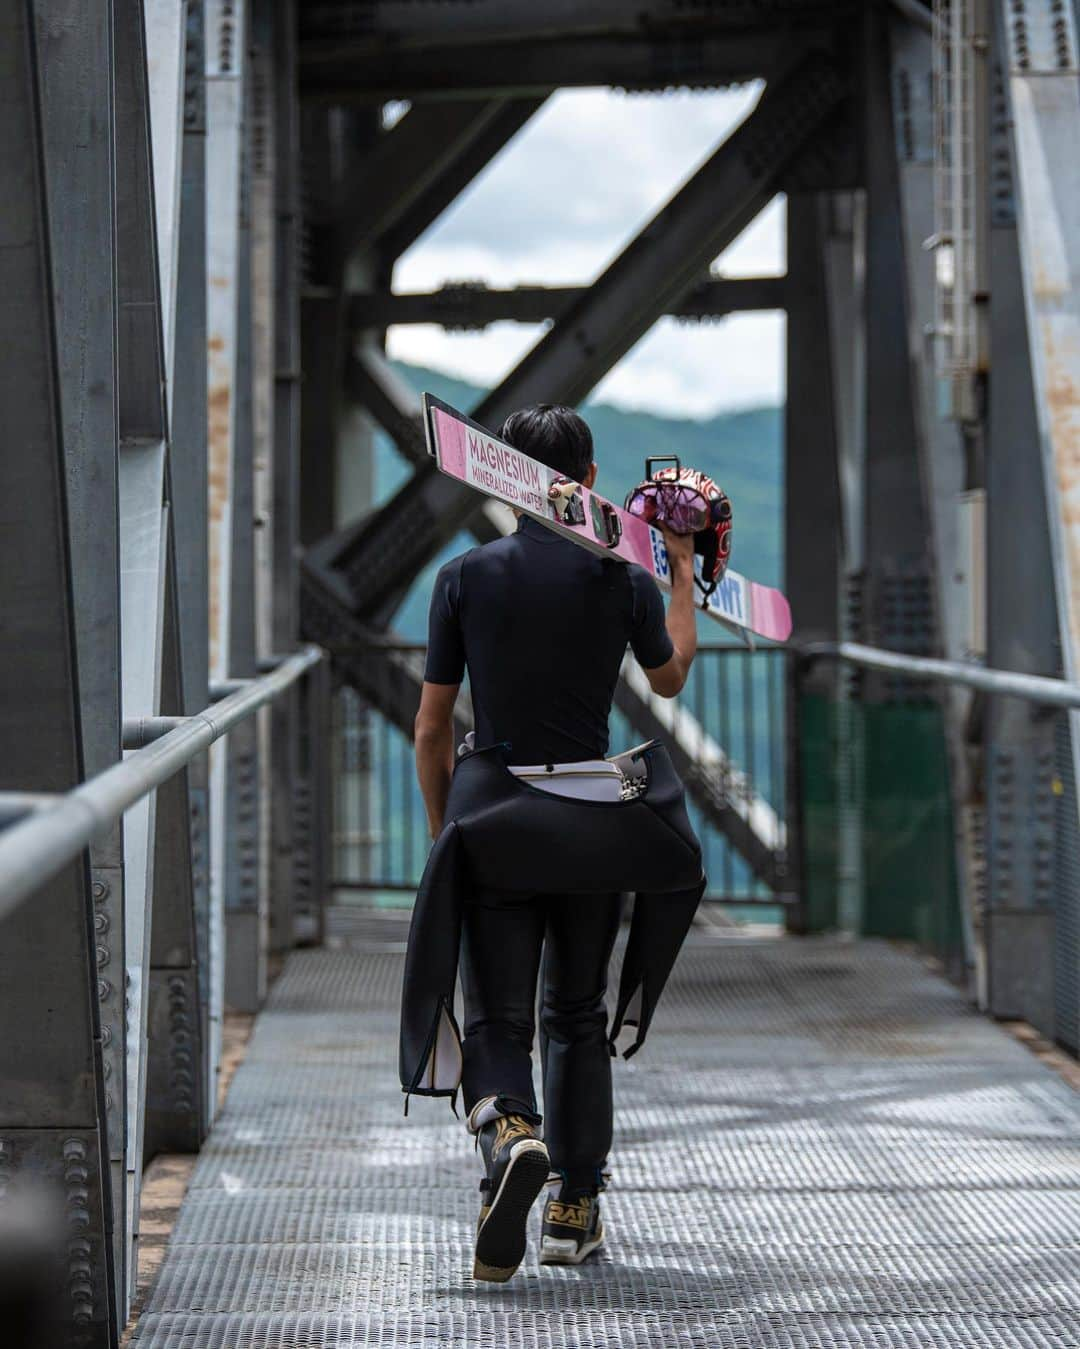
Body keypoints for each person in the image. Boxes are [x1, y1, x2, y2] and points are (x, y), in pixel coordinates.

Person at [413, 404, 698, 1281]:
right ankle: (575, 1207)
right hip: (592, 824)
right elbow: (670, 677)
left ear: (501, 473)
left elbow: (430, 727)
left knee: (497, 1013)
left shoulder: (464, 577)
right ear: (590, 480)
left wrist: (448, 830)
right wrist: (683, 575)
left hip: (496, 812)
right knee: (575, 1014)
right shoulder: (622, 582)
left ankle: (509, 1134)